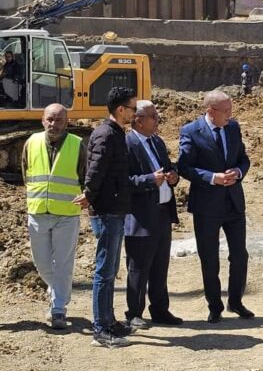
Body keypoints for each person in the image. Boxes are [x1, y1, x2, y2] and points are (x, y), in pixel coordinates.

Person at [178, 90, 253, 323]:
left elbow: (244, 159)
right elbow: (184, 167)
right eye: (226, 110)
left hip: (233, 203)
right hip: (206, 206)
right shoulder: (191, 131)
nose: (230, 114)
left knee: (239, 255)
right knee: (209, 258)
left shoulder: (233, 128)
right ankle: (215, 305)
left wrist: (238, 172)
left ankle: (235, 301)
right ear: (211, 111)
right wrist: (212, 177)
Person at [21, 103, 88, 330]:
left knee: (63, 263)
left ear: (66, 122)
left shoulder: (77, 145)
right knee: (41, 262)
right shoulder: (31, 142)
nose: (53, 124)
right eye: (50, 119)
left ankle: (58, 308)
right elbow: (26, 173)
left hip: (66, 213)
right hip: (38, 211)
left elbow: (85, 176)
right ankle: (58, 289)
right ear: (42, 120)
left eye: (59, 120)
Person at [84, 86, 137, 348]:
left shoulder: (115, 133)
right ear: (121, 109)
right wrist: (88, 195)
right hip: (107, 211)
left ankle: (109, 320)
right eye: (133, 109)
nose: (135, 113)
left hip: (115, 209)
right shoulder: (106, 134)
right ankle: (101, 329)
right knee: (104, 272)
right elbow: (95, 170)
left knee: (110, 270)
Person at [124, 100, 183, 329]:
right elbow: (123, 182)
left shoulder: (157, 141)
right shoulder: (127, 144)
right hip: (140, 217)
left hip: (162, 213)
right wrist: (150, 180)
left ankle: (160, 309)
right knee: (139, 267)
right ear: (139, 120)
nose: (158, 120)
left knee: (160, 265)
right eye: (153, 117)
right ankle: (134, 313)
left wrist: (173, 175)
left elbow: (168, 166)